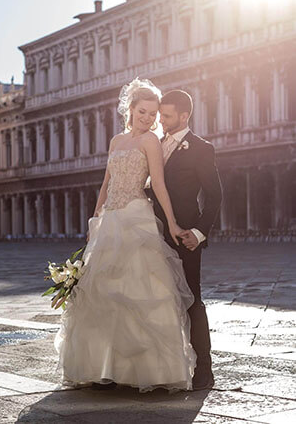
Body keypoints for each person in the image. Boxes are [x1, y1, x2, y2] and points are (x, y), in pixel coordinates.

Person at [54, 78, 197, 392]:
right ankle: (105, 370)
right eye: (142, 112)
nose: (147, 119)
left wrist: (171, 223)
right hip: (110, 221)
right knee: (103, 296)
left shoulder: (151, 142)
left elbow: (158, 185)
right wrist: (96, 216)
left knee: (139, 293)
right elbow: (106, 182)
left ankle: (149, 372)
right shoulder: (116, 141)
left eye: (152, 115)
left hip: (135, 217)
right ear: (130, 109)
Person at [150, 90, 222, 390]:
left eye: (166, 116)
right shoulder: (154, 143)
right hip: (151, 234)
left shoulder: (201, 148)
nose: (160, 120)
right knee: (153, 300)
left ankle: (204, 369)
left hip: (185, 237)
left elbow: (215, 194)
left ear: (184, 116)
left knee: (192, 299)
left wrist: (199, 232)